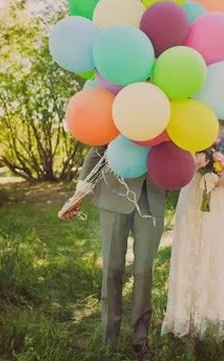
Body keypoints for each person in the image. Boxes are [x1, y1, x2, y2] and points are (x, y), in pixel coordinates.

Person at [62, 146, 166, 359]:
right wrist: (79, 194)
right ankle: (109, 337)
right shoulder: (117, 112)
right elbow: (97, 152)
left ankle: (140, 338)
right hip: (113, 192)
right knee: (112, 267)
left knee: (144, 270)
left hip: (152, 197)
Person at [162, 121, 224, 342]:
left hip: (222, 201)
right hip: (192, 196)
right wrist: (193, 167)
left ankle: (219, 315)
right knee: (191, 252)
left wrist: (219, 179)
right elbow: (175, 166)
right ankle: (189, 319)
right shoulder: (190, 123)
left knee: (219, 254)